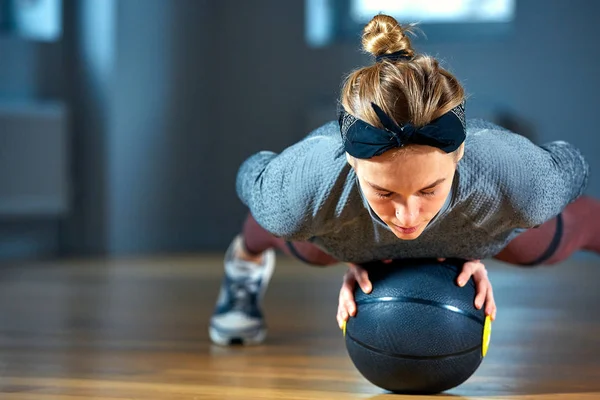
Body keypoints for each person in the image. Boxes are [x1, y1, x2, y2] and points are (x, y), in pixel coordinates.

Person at [209, 14, 598, 346]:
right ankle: (245, 261)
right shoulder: (303, 187)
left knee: (540, 243)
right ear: (351, 160)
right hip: (349, 229)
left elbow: (572, 163)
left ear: (459, 154)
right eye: (384, 191)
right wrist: (352, 252)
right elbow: (253, 172)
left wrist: (475, 240)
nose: (408, 215)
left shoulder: (519, 181)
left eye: (429, 189)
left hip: (476, 221)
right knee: (291, 228)